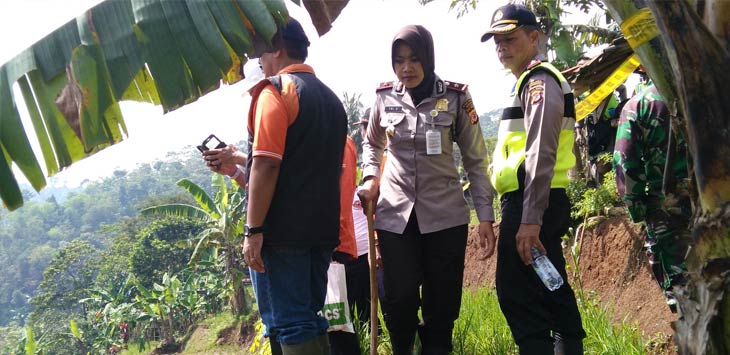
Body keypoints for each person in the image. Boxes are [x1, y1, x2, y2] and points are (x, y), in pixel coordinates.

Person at [207, 18, 347, 355]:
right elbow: (299, 170)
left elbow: (268, 163)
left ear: (278, 50)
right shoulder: (331, 99)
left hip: (283, 236)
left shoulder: (274, 92)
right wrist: (241, 172)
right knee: (309, 317)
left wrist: (253, 230)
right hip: (321, 233)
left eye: (261, 51)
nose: (259, 59)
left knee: (291, 323)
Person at [358, 24, 496, 355]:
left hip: (445, 218)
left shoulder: (456, 97)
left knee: (442, 303)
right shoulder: (383, 97)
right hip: (395, 218)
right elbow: (372, 144)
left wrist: (486, 217)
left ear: (429, 58)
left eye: (414, 59)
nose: (406, 68)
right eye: (399, 60)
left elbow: (476, 160)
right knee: (400, 297)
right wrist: (369, 178)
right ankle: (405, 347)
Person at [480, 4, 585, 354]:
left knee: (518, 294)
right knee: (549, 286)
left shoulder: (539, 80)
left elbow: (541, 152)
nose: (501, 48)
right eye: (497, 41)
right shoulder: (529, 81)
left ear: (533, 37)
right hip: (538, 199)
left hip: (531, 200)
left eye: (509, 39)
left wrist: (529, 220)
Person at [613, 84, 691, 313]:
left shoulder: (640, 105)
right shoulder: (713, 85)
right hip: (719, 207)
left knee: (689, 303)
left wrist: (637, 208)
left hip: (670, 218)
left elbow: (626, 165)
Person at [328, 135, 362, 355]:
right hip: (326, 247)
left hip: (332, 249)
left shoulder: (338, 140)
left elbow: (339, 202)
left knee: (337, 326)